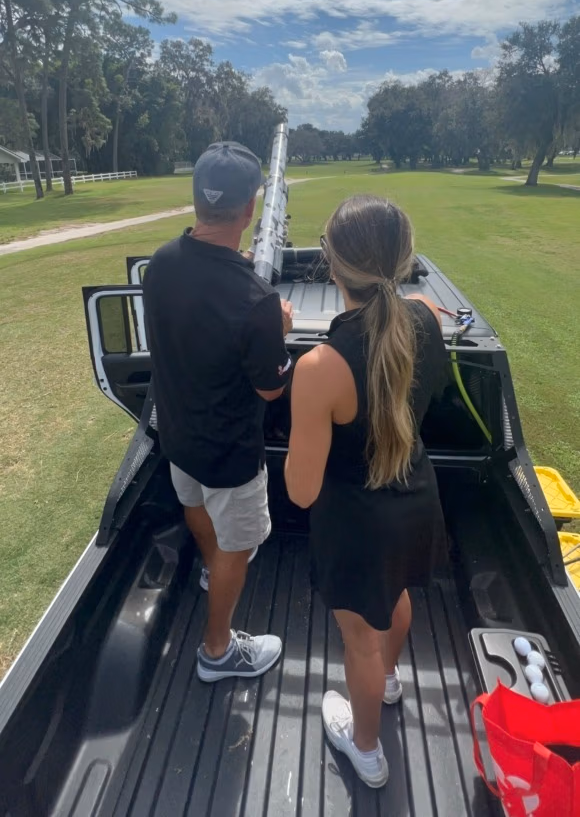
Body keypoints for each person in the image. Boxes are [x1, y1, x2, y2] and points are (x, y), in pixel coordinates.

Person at [284, 194, 447, 789]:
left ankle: (367, 751)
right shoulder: (428, 315)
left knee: (360, 641)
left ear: (332, 265)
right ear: (404, 258)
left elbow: (302, 493)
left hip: (357, 525)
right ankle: (389, 680)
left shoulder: (319, 368)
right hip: (417, 501)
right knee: (395, 598)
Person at [144, 141, 293, 683]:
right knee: (241, 542)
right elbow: (272, 391)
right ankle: (217, 652)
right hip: (229, 454)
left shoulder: (160, 264)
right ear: (250, 209)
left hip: (178, 438)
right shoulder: (256, 300)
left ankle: (212, 572)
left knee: (198, 509)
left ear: (196, 200)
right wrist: (278, 330)